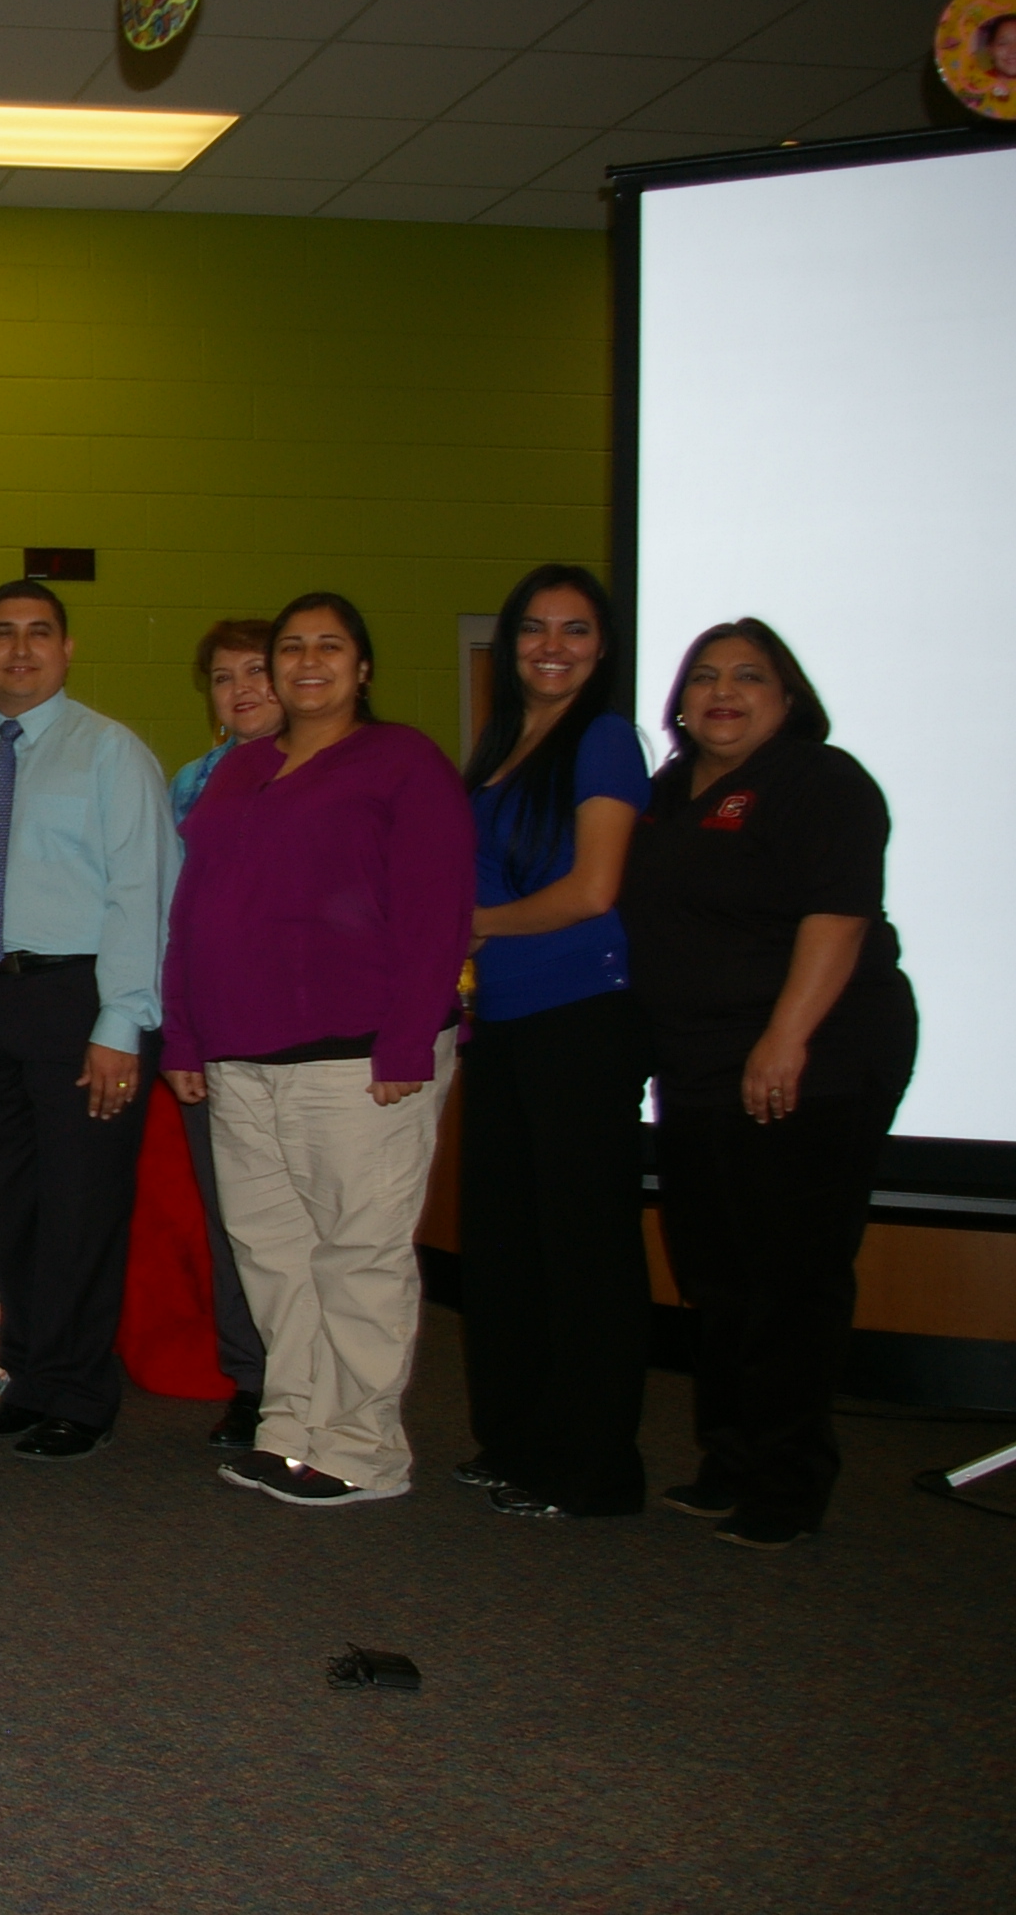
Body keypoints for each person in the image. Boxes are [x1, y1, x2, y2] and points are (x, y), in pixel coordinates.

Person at [163, 592, 475, 1507]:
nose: (305, 662)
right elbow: (194, 912)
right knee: (272, 1252)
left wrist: (407, 1042)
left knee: (359, 1254)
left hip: (359, 1059)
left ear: (363, 667)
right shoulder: (240, 769)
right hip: (239, 1057)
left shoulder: (402, 763)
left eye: (328, 646)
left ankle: (363, 1450)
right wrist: (186, 1034)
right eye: (290, 647)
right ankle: (291, 1427)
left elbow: (436, 910)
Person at [620, 620, 915, 1551]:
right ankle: (730, 1460)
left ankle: (789, 1483)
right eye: (704, 676)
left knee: (791, 1276)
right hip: (700, 1064)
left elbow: (840, 912)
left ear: (789, 699)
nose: (724, 691)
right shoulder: (665, 795)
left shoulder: (821, 782)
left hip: (815, 1059)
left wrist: (787, 1037)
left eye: (750, 676)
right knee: (718, 1272)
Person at [0, 581, 178, 1462]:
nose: (20, 649)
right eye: (1, 632)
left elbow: (141, 891)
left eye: (39, 633)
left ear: (68, 650)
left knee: (82, 1206)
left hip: (80, 1001)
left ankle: (81, 1393)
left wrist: (122, 1020)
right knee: (12, 1207)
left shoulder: (111, 752)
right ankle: (32, 1379)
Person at [454, 567, 655, 1521]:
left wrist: (478, 922)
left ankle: (594, 1470)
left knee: (584, 1254)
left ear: (602, 648)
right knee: (506, 1249)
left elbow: (593, 890)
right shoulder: (499, 749)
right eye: (535, 627)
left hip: (583, 1018)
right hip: (504, 1025)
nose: (553, 645)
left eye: (576, 630)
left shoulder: (607, 741)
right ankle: (522, 1445)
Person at [169, 618, 280, 1449]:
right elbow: (175, 919)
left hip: (314, 1038)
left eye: (257, 670)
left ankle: (314, 1384)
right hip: (214, 1032)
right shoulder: (190, 785)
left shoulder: (335, 768)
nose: (241, 688)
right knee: (234, 1217)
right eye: (222, 676)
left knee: (312, 1223)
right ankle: (254, 1381)